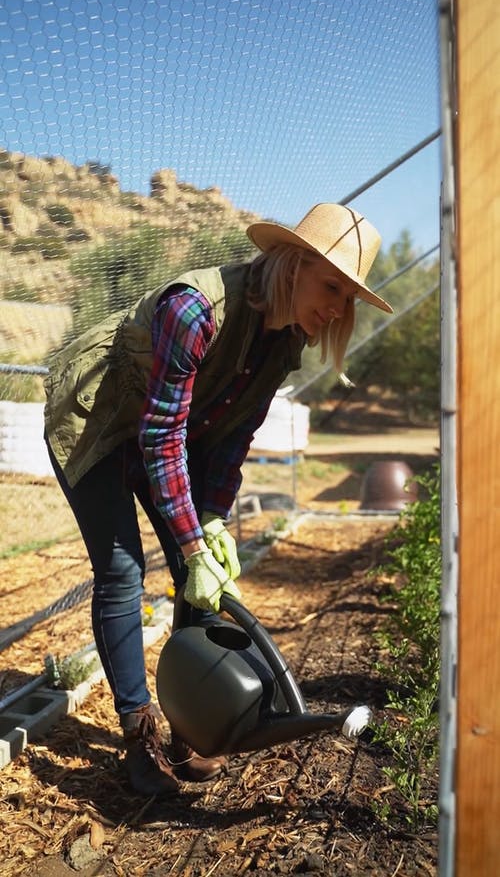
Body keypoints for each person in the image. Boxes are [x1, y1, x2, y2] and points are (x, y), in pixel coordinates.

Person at [43, 202, 393, 796]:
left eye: (349, 299)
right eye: (331, 285)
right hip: (99, 422)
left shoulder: (287, 342)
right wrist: (192, 538)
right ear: (293, 262)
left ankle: (191, 719)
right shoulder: (195, 309)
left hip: (167, 435)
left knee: (194, 568)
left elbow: (232, 440)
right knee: (124, 570)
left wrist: (211, 523)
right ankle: (139, 731)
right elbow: (160, 434)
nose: (337, 307)